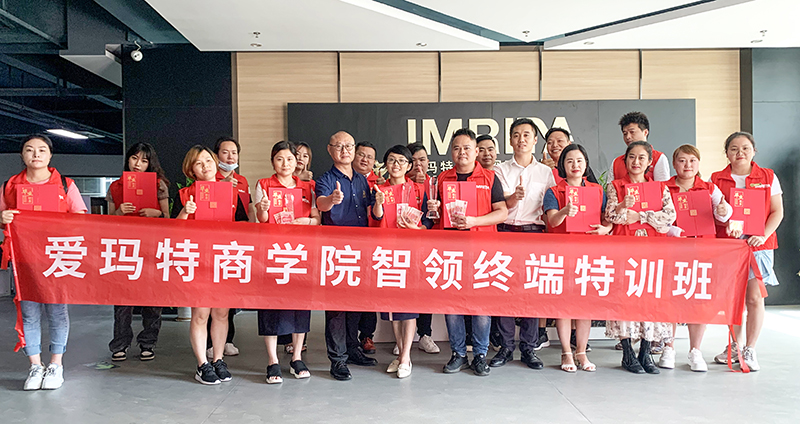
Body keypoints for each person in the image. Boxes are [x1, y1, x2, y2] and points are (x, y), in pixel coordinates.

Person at [1, 134, 87, 390]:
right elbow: (3, 218)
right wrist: (3, 218)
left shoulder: (65, 184)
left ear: (50, 155)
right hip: (24, 257)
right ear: (22, 155)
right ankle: (35, 366)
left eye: (41, 150)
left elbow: (81, 217)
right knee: (29, 313)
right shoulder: (10, 186)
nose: (35, 154)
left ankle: (56, 364)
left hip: (57, 256)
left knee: (57, 311)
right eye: (29, 150)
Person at [428, 128, 508, 377]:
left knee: (481, 305)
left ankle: (480, 354)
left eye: (466, 148)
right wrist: (434, 208)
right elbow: (436, 218)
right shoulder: (443, 179)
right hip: (450, 251)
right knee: (452, 304)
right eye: (456, 148)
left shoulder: (490, 178)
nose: (461, 152)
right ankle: (458, 353)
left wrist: (475, 221)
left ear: (475, 151)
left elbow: (502, 212)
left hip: (482, 251)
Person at [710, 132, 783, 372]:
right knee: (733, 299)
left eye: (745, 148)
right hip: (729, 246)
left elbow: (777, 211)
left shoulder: (768, 176)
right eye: (733, 148)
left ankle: (750, 348)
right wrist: (722, 215)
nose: (739, 153)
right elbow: (711, 213)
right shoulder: (716, 179)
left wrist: (763, 234)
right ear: (727, 153)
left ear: (754, 151)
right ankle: (735, 346)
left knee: (754, 297)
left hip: (758, 244)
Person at [604, 141, 676, 374]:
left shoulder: (660, 188)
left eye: (641, 158)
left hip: (653, 250)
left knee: (650, 299)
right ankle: (627, 353)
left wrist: (640, 216)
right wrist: (623, 207)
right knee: (625, 299)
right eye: (632, 157)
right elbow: (611, 216)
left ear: (649, 162)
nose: (636, 162)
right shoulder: (615, 186)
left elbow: (669, 217)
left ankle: (646, 352)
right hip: (625, 249)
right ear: (625, 160)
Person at [661, 144, 732, 372]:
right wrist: (670, 230)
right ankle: (668, 348)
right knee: (670, 299)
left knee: (698, 299)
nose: (687, 165)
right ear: (674, 164)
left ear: (698, 163)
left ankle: (695, 350)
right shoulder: (664, 187)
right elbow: (656, 218)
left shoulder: (710, 188)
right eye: (682, 160)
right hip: (673, 251)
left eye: (692, 160)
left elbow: (724, 214)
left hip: (703, 252)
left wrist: (724, 212)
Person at [253, 141, 319, 383]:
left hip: (300, 252)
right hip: (272, 253)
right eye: (279, 159)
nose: (285, 163)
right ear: (273, 161)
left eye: (290, 159)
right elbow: (261, 220)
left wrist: (306, 222)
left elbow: (317, 218)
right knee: (271, 305)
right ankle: (272, 360)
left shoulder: (307, 187)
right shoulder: (263, 184)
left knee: (300, 304)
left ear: (296, 162)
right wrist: (263, 208)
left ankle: (297, 357)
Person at [491, 118, 554, 370]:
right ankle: (506, 347)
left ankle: (529, 347)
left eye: (526, 135)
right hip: (505, 231)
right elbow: (499, 204)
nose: (521, 139)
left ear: (535, 140)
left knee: (531, 291)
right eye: (516, 135)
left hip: (534, 233)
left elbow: (550, 207)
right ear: (510, 140)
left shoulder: (546, 173)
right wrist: (512, 198)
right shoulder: (500, 170)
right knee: (504, 289)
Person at [316, 131, 379, 381]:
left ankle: (352, 349)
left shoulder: (363, 180)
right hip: (336, 250)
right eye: (339, 146)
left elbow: (374, 211)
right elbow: (320, 203)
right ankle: (337, 359)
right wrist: (332, 200)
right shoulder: (326, 179)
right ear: (330, 150)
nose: (345, 151)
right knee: (336, 309)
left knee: (355, 304)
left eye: (349, 146)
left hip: (360, 249)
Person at [543, 144, 611, 372]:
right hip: (562, 254)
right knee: (564, 305)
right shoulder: (554, 191)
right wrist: (564, 211)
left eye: (579, 161)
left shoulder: (596, 190)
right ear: (562, 165)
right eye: (570, 161)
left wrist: (606, 229)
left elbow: (607, 218)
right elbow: (552, 221)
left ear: (586, 164)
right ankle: (566, 352)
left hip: (589, 254)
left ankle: (581, 352)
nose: (575, 165)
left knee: (584, 305)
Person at [371, 144, 433, 378]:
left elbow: (429, 221)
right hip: (387, 254)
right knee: (392, 308)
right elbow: (375, 218)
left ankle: (406, 356)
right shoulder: (380, 188)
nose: (396, 165)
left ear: (409, 166)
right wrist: (378, 202)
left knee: (409, 306)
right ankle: (400, 355)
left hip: (412, 254)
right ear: (385, 164)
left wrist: (418, 229)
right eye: (391, 160)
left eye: (401, 161)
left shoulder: (418, 190)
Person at [174, 145, 234, 385]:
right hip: (197, 259)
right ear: (192, 170)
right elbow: (173, 231)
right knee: (200, 313)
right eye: (199, 163)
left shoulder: (231, 191)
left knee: (221, 312)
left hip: (225, 257)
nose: (205, 166)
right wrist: (185, 213)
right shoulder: (184, 194)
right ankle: (202, 364)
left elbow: (244, 223)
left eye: (208, 160)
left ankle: (218, 359)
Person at [106, 142, 170, 362]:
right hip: (124, 247)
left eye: (144, 160)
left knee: (153, 299)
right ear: (128, 160)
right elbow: (107, 221)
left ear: (150, 163)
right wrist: (118, 212)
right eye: (134, 158)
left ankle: (148, 342)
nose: (138, 164)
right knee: (122, 299)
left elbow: (169, 219)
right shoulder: (115, 186)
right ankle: (120, 343)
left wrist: (156, 214)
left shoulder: (159, 185)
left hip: (152, 247)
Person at [205, 137, 251, 359]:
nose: (231, 156)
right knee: (209, 298)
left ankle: (228, 339)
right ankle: (209, 343)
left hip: (233, 244)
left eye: (234, 152)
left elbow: (244, 212)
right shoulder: (209, 179)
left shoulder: (242, 181)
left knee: (228, 297)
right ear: (216, 156)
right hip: (210, 244)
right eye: (225, 152)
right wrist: (220, 187)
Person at [404, 142, 440, 355]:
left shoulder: (436, 183)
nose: (419, 165)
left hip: (429, 244)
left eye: (423, 160)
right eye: (414, 160)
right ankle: (403, 340)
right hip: (404, 246)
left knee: (426, 290)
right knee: (406, 290)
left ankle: (425, 334)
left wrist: (423, 228)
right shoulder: (399, 183)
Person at [351, 140, 381, 354]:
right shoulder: (346, 180)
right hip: (351, 244)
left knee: (370, 293)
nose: (365, 159)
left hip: (375, 244)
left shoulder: (380, 183)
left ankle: (367, 335)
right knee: (351, 290)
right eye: (361, 155)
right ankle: (350, 337)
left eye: (369, 157)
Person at [608, 112, 670, 182]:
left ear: (645, 132)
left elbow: (663, 186)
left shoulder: (658, 158)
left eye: (632, 132)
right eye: (625, 133)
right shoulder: (616, 162)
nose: (628, 137)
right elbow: (610, 187)